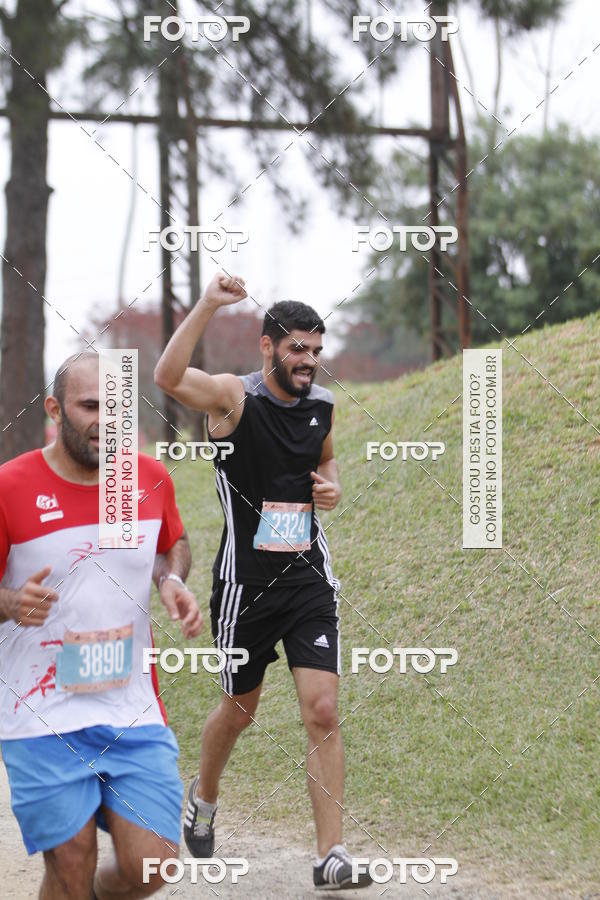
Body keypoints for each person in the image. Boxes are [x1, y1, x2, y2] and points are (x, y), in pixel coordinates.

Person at [154, 272, 372, 890]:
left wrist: (332, 486)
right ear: (267, 346)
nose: (309, 362)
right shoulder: (233, 399)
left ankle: (330, 856)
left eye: (316, 351)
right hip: (245, 587)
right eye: (297, 348)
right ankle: (205, 794)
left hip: (307, 580)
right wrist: (206, 303)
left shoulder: (322, 407)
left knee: (322, 709)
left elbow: (323, 461)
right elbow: (167, 379)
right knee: (239, 708)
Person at [0, 352, 203, 899]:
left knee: (153, 868)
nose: (105, 419)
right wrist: (11, 601)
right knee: (70, 863)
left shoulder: (145, 480)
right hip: (39, 714)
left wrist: (171, 581)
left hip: (129, 708)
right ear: (53, 409)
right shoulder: (10, 487)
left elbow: (170, 545)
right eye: (91, 405)